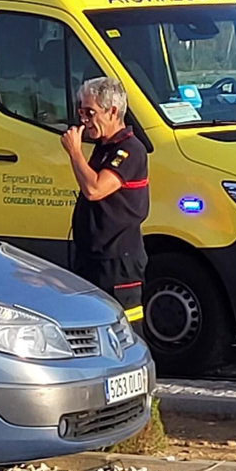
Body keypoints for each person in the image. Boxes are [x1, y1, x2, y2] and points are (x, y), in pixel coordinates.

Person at [62, 76, 149, 326]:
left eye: (90, 112)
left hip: (118, 261)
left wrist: (75, 152)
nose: (84, 120)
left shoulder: (130, 149)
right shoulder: (103, 147)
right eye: (81, 112)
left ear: (112, 111)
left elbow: (94, 189)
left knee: (126, 329)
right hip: (92, 257)